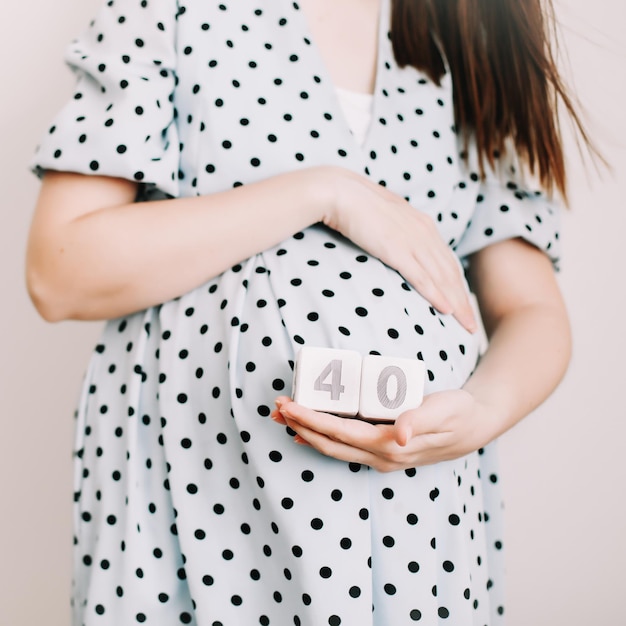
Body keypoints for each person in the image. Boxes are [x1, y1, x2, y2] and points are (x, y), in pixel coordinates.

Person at [26, 0, 590, 624]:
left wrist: (482, 411)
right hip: (195, 513)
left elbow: (533, 309)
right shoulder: (173, 11)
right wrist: (324, 193)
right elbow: (60, 271)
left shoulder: (466, 37)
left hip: (413, 526)